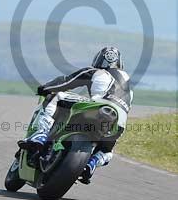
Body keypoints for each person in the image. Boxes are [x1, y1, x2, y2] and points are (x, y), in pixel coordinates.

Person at [18, 46, 133, 184]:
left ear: (98, 60)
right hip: (119, 121)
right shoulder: (128, 86)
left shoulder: (96, 71)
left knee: (57, 96)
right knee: (107, 151)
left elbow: (66, 82)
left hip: (98, 106)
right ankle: (92, 163)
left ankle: (41, 134)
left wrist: (44, 88)